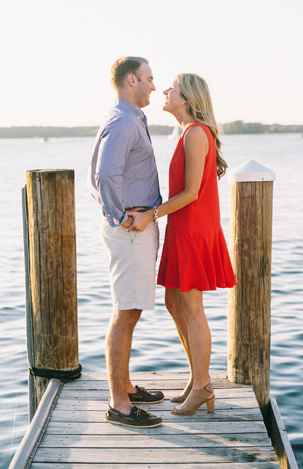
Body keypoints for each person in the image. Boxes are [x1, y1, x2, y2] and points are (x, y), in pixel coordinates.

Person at [127, 73, 236, 415]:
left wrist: (151, 215)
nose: (165, 91)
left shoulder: (195, 135)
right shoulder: (189, 133)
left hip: (193, 230)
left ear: (186, 98)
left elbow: (191, 194)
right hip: (183, 227)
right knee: (175, 302)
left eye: (172, 88)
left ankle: (203, 386)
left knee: (192, 308)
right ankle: (197, 378)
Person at [89, 56, 165, 428]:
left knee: (130, 310)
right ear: (131, 79)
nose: (154, 85)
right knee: (125, 312)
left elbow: (104, 175)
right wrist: (120, 217)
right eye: (149, 79)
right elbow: (104, 175)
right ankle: (119, 404)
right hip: (130, 228)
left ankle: (126, 387)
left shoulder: (129, 118)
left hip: (136, 225)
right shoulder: (123, 122)